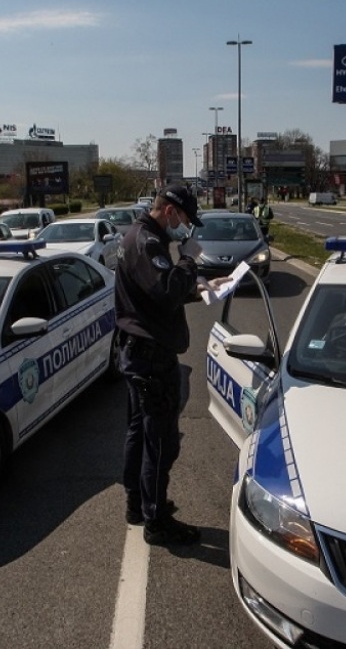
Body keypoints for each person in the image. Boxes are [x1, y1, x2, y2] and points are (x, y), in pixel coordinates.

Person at [115, 183, 220, 546]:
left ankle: (138, 504)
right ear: (171, 211)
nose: (186, 228)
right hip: (150, 357)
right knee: (161, 441)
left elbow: (157, 298)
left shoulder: (143, 237)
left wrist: (198, 288)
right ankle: (156, 520)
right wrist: (189, 260)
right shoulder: (147, 242)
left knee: (140, 433)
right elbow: (165, 289)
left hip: (138, 351)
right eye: (186, 220)